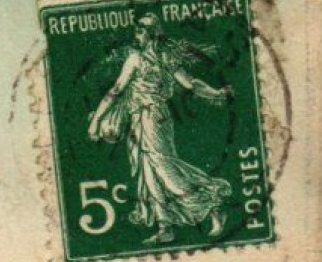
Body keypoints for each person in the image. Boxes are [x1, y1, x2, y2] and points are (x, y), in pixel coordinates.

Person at [87, 14, 234, 244]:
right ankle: (165, 226)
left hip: (152, 119)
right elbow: (189, 84)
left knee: (165, 169)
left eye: (139, 30)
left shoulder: (139, 59)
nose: (136, 35)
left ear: (149, 33)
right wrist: (214, 94)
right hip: (144, 119)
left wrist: (96, 120)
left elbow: (116, 90)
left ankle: (212, 208)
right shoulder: (162, 57)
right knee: (149, 172)